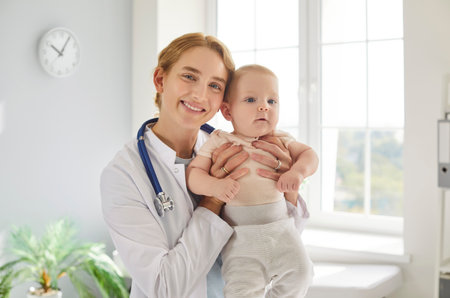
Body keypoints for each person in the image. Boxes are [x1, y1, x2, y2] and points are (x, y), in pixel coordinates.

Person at [100, 33, 310, 298]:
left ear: (225, 101)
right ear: (160, 80)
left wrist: (286, 188)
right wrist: (212, 201)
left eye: (215, 85)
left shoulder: (235, 145)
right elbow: (163, 287)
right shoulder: (123, 176)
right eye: (189, 77)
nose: (200, 94)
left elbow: (279, 239)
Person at [186, 64, 318, 298]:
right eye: (250, 99)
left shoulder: (281, 140)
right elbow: (194, 174)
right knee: (241, 289)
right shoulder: (220, 141)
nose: (263, 107)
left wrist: (297, 172)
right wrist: (214, 186)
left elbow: (310, 155)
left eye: (272, 101)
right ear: (227, 112)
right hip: (240, 237)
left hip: (281, 229)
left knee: (302, 273)